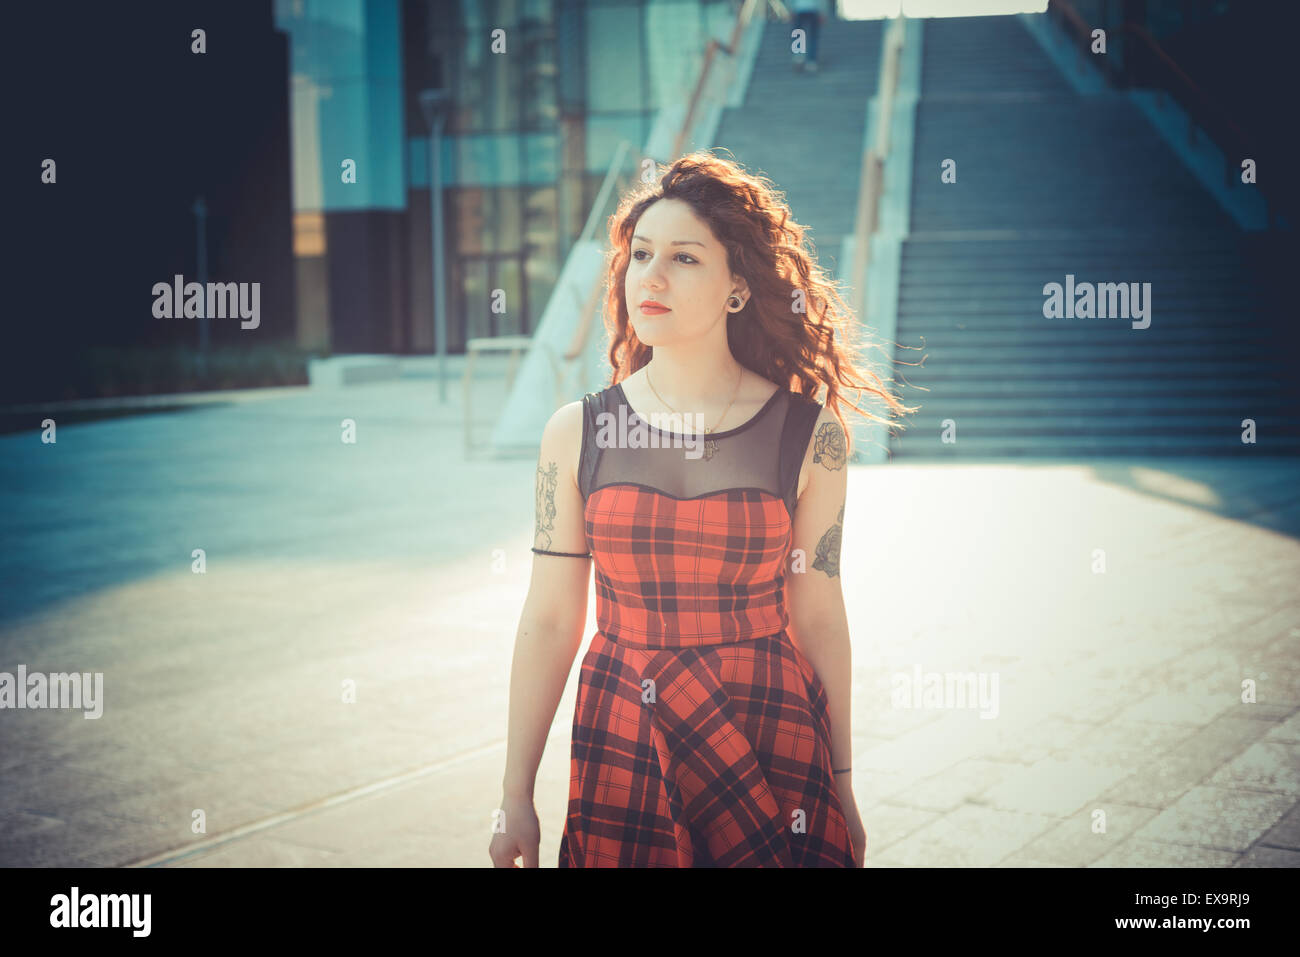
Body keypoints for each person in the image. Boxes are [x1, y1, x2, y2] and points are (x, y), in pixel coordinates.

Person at [490, 151, 912, 868]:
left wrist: (842, 783)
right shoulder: (575, 432)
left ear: (737, 289)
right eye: (640, 254)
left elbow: (817, 615)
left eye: (684, 258)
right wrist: (515, 794)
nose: (649, 277)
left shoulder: (812, 436)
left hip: (768, 730)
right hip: (625, 732)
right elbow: (551, 619)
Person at [791, 0, 830, 73]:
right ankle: (811, 61)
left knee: (799, 32)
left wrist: (791, 9)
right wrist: (823, 11)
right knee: (813, 36)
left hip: (799, 7)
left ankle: (798, 55)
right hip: (813, 8)